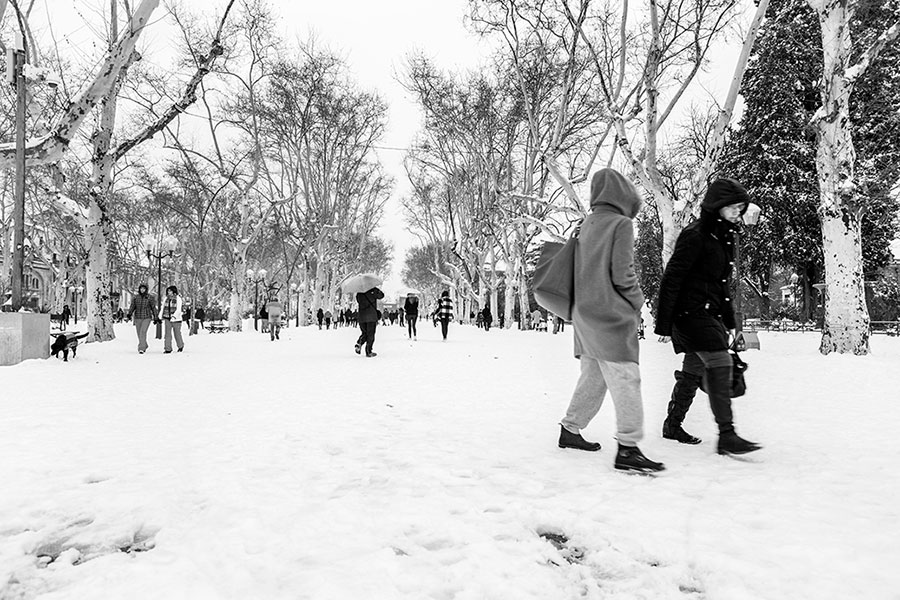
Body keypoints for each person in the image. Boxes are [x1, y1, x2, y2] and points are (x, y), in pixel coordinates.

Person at [559, 168, 665, 474]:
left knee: (594, 374)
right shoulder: (621, 224)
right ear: (623, 193)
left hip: (583, 313)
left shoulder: (585, 224)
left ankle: (571, 428)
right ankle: (629, 448)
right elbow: (622, 273)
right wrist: (637, 301)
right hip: (609, 314)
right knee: (626, 377)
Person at [655, 178, 761, 456]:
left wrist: (732, 324)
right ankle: (727, 434)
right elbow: (672, 277)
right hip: (690, 314)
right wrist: (663, 323)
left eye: (742, 207)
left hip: (708, 314)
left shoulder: (723, 236)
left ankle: (672, 425)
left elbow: (721, 286)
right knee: (719, 364)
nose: (739, 212)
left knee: (693, 368)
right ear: (718, 206)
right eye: (734, 207)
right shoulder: (696, 234)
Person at [126, 283, 156, 354]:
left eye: (144, 289)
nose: (142, 290)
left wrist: (156, 317)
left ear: (146, 290)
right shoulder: (136, 297)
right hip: (138, 317)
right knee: (139, 333)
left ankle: (141, 348)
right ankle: (144, 344)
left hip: (147, 317)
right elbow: (132, 306)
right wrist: (129, 314)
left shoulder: (150, 297)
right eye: (141, 288)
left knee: (143, 332)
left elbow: (153, 308)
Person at [355, 286, 384, 357]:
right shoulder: (373, 291)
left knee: (364, 333)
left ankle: (359, 343)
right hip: (371, 317)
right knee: (370, 334)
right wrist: (376, 290)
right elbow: (381, 295)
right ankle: (368, 351)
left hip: (361, 317)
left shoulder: (359, 293)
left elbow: (358, 300)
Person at [158, 285, 184, 354]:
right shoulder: (166, 299)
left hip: (176, 320)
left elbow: (178, 309)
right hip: (167, 318)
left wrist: (174, 316)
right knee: (167, 334)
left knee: (177, 334)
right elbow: (162, 308)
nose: (169, 292)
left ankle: (180, 346)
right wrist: (160, 317)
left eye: (170, 291)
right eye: (168, 291)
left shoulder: (178, 299)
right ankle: (168, 348)